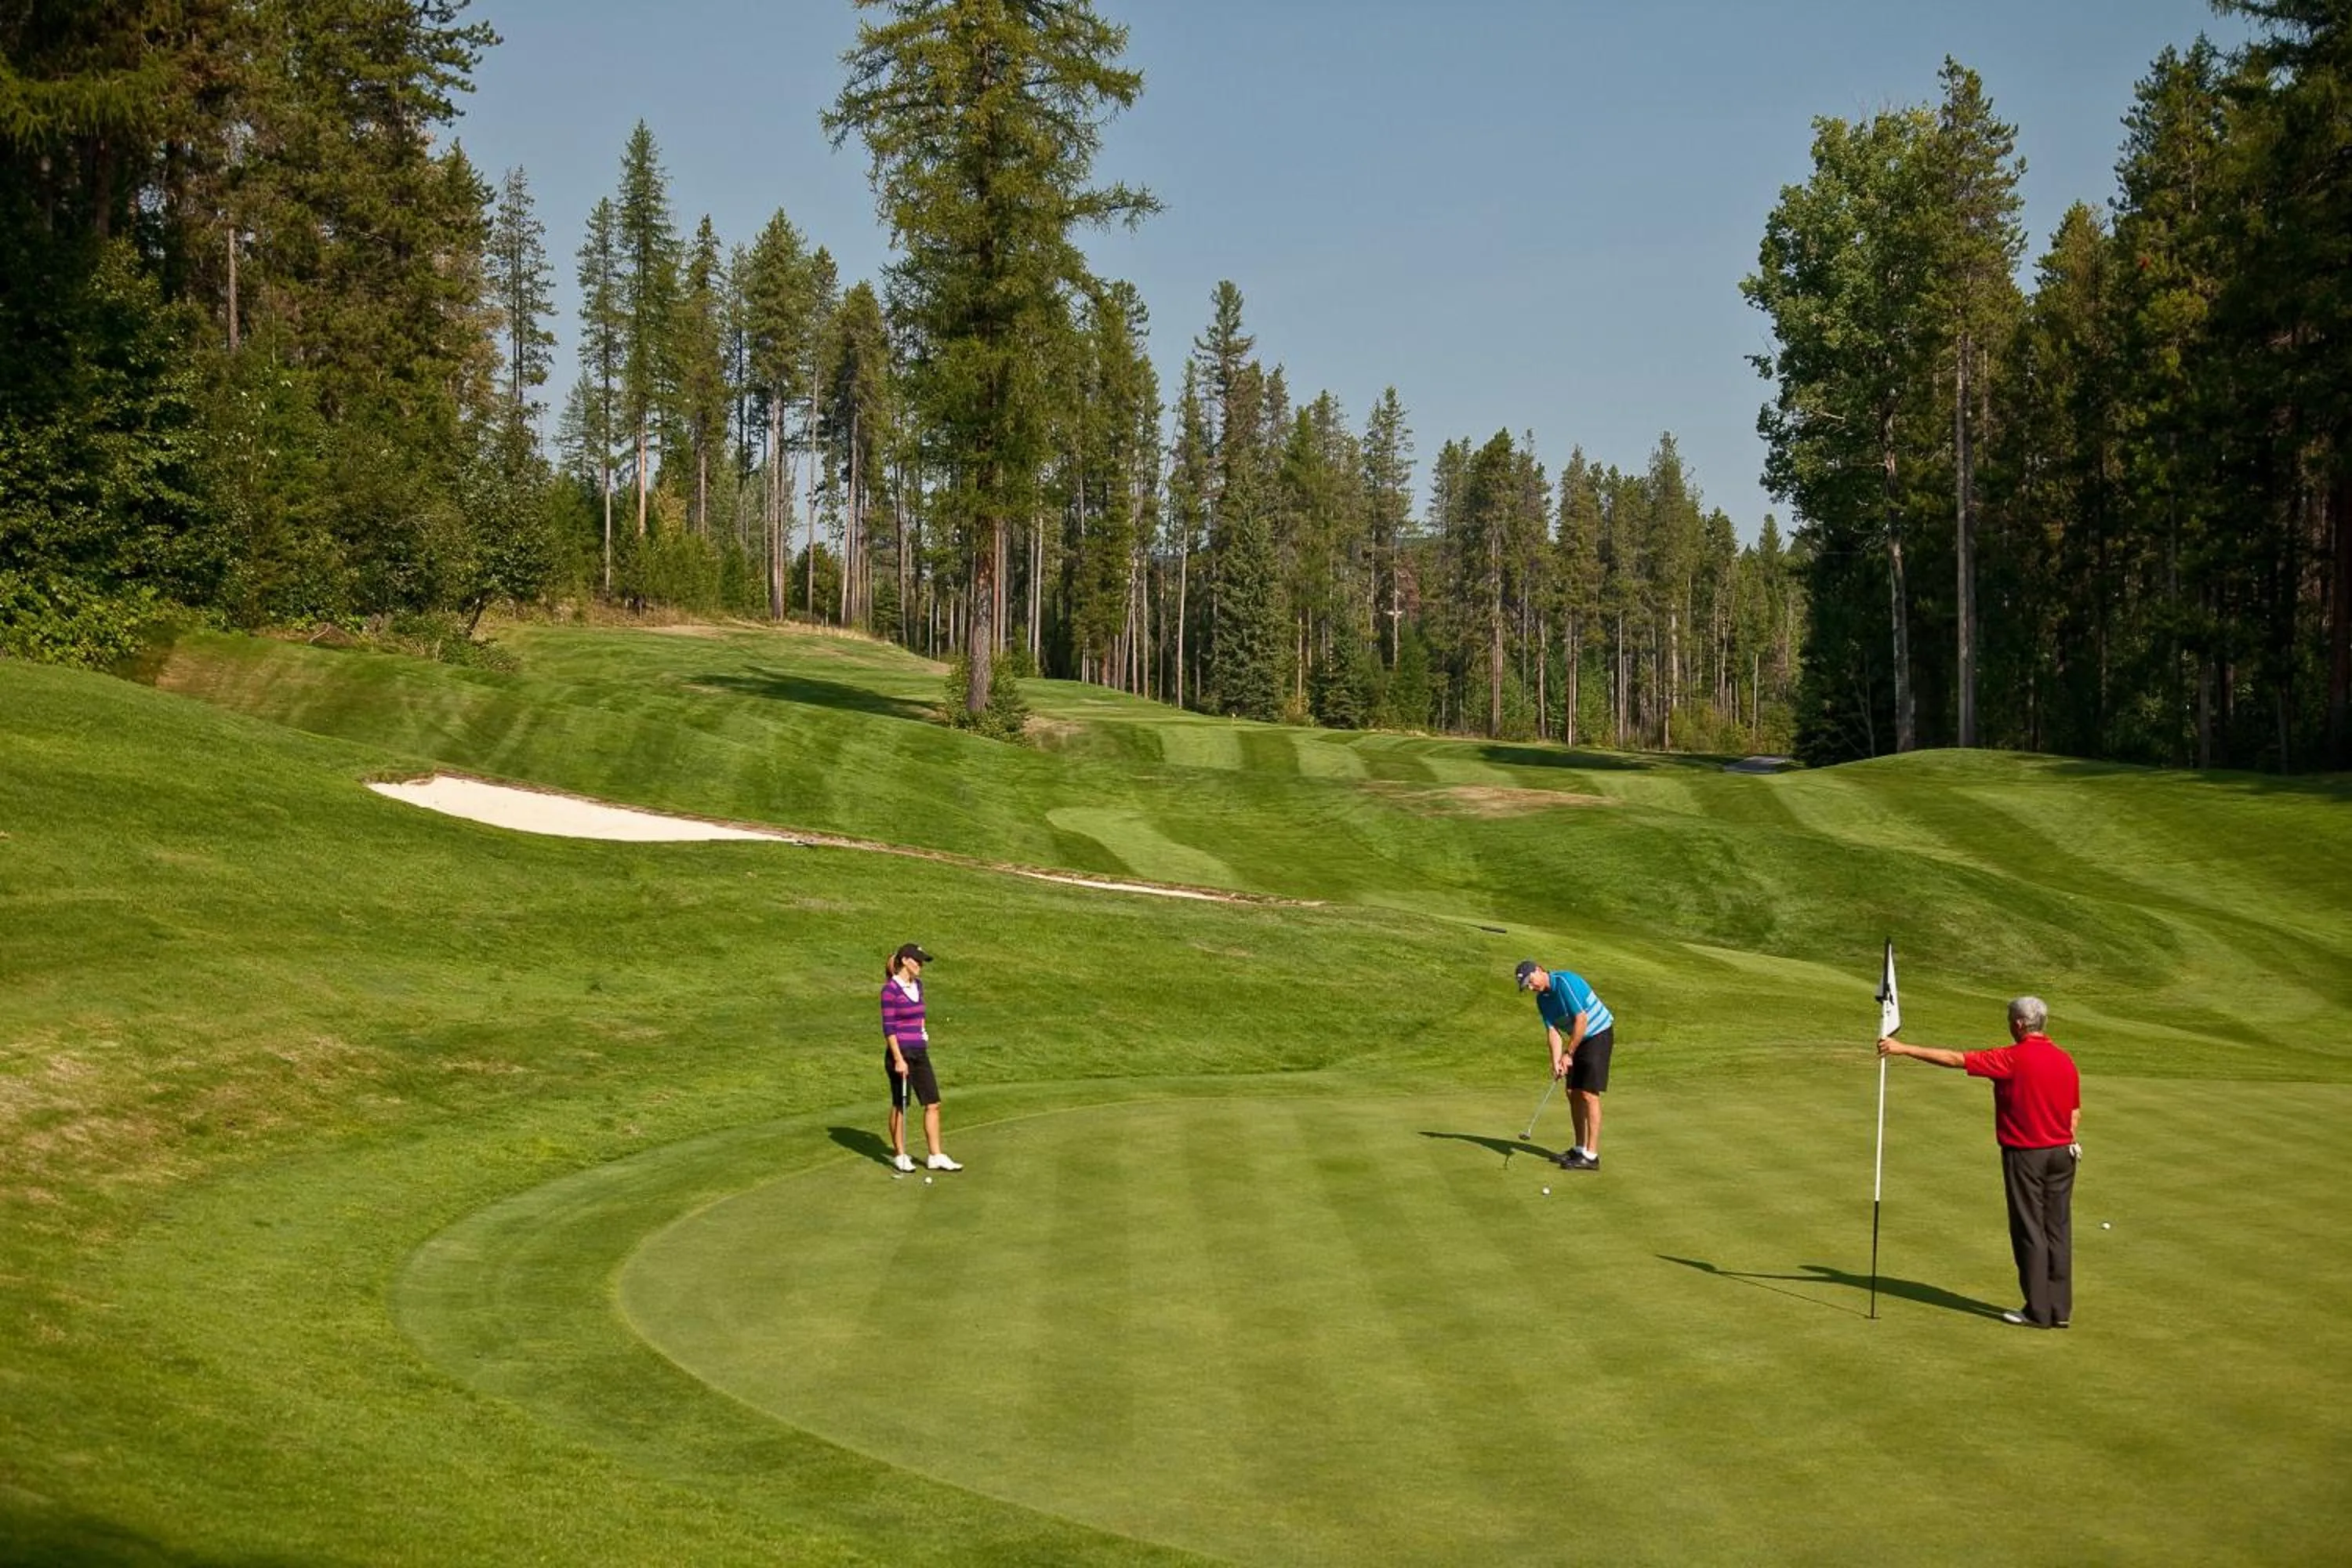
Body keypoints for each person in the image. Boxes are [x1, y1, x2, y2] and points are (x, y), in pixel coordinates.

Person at [1878, 996, 2080, 1328]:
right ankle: (2059, 1312)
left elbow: (1955, 1059)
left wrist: (1903, 1049)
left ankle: (2038, 1312)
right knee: (2057, 1228)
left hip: (2026, 1155)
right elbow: (2074, 1114)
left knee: (2030, 1229)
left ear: (2019, 1024)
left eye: (2010, 1019)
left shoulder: (2012, 1057)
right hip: (2063, 1153)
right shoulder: (2064, 1060)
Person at [1515, 959, 1614, 1171]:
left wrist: (1569, 1054)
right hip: (1578, 1039)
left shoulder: (1564, 982)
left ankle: (1591, 1156)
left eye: (1531, 982)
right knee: (1572, 1092)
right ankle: (1579, 1149)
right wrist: (1556, 1061)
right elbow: (1553, 1032)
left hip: (1598, 1034)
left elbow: (1581, 1019)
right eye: (1527, 986)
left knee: (1588, 1094)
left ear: (1539, 970)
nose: (1531, 988)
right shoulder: (1542, 1001)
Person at [880, 942, 960, 1174]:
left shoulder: (919, 986)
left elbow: (920, 1013)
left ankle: (936, 1156)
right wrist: (898, 1059)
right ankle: (900, 1155)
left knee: (933, 1103)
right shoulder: (890, 990)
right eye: (917, 961)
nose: (921, 965)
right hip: (900, 1053)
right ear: (905, 961)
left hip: (919, 1050)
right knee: (901, 1105)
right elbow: (889, 1028)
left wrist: (922, 1030)